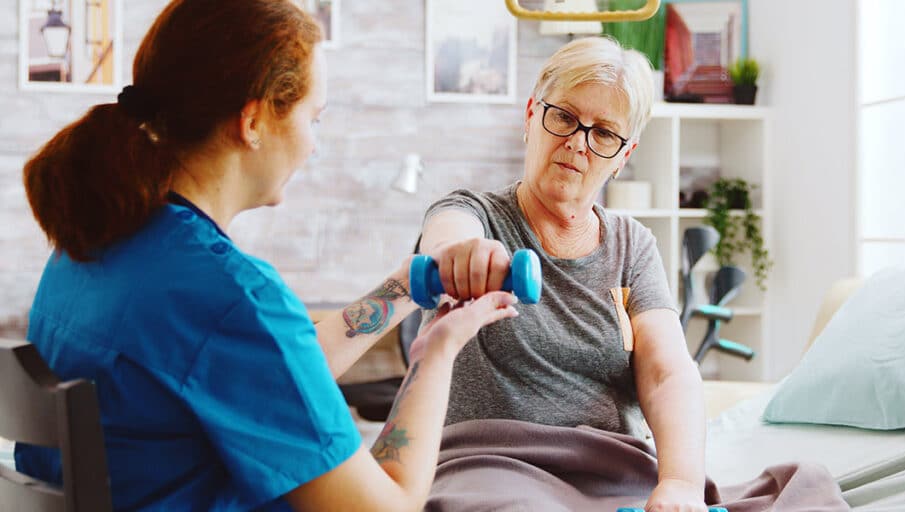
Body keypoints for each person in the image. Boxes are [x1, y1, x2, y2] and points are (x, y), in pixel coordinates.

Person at [17, 1, 517, 510]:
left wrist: (411, 288)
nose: (312, 146)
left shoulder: (92, 244)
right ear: (253, 119)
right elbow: (388, 505)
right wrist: (437, 350)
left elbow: (276, 373)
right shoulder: (229, 296)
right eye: (313, 119)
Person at [419, 36, 708, 511]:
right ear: (531, 116)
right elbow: (447, 237)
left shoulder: (633, 245)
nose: (578, 143)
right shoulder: (473, 213)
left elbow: (667, 372)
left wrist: (680, 484)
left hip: (613, 470)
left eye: (603, 134)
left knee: (800, 490)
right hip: (490, 465)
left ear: (624, 155)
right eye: (565, 117)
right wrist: (461, 255)